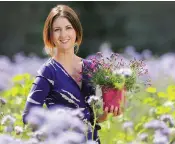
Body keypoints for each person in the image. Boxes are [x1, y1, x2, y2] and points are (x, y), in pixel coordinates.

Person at [22, 4, 122, 143]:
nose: (63, 35)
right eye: (57, 30)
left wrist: (110, 109)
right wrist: (53, 131)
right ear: (50, 35)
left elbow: (96, 118)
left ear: (76, 31)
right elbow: (28, 116)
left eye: (68, 28)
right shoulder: (48, 71)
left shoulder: (92, 67)